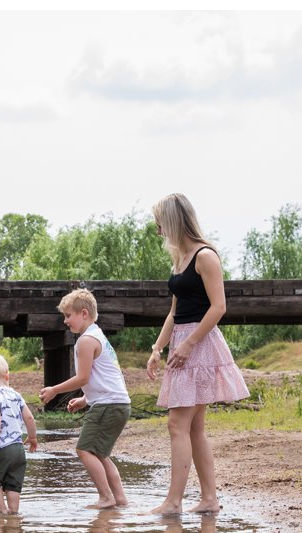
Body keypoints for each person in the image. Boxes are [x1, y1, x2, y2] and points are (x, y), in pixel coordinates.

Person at [145, 193, 250, 516]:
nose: (158, 230)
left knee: (178, 425)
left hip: (199, 344)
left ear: (175, 221)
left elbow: (219, 307)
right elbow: (174, 312)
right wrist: (157, 348)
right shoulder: (179, 258)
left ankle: (173, 502)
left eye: (160, 223)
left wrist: (189, 344)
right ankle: (208, 499)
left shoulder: (206, 257)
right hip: (180, 341)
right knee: (193, 427)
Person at [40, 288, 132, 510]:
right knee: (100, 453)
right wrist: (85, 399)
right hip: (119, 403)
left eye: (68, 315)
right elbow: (103, 377)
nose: (65, 321)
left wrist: (54, 390)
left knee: (84, 450)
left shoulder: (86, 341)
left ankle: (106, 497)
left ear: (83, 313)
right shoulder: (98, 335)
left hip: (109, 406)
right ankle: (120, 500)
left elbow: (82, 377)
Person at [0, 354, 39, 515]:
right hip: (18, 448)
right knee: (13, 483)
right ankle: (14, 512)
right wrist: (32, 438)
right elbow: (29, 417)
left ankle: (2, 511)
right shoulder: (16, 395)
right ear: (7, 375)